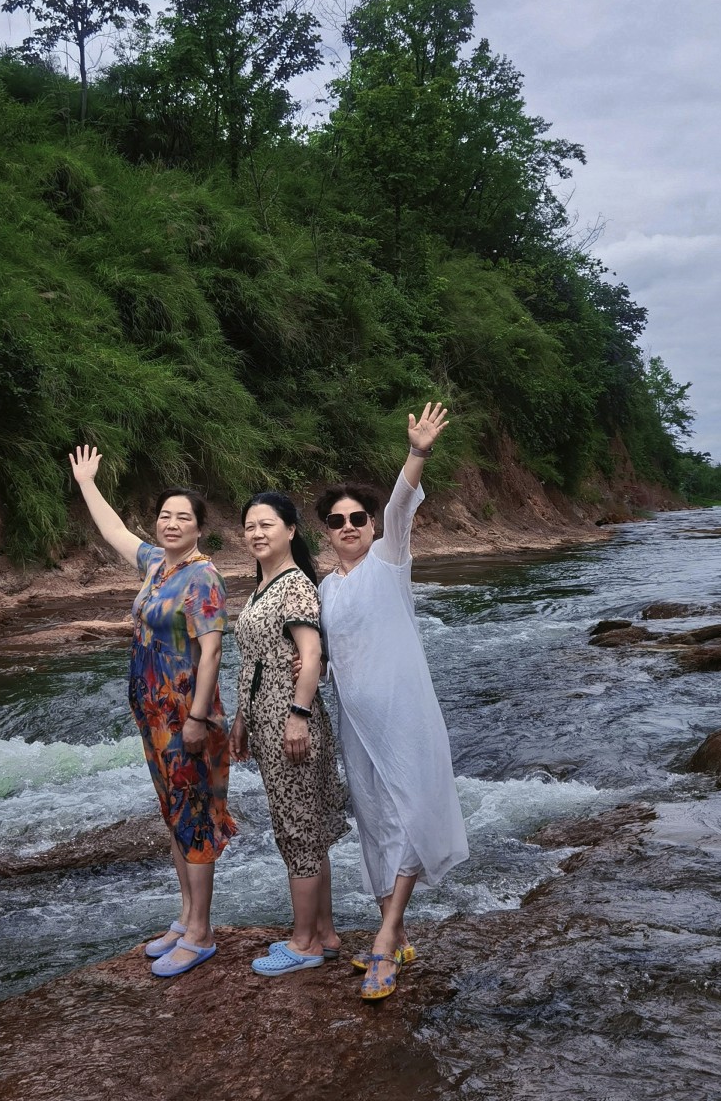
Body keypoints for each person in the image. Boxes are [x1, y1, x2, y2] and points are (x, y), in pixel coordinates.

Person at [317, 403, 468, 1002]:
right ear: (324, 531)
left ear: (372, 526)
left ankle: (382, 940)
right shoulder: (326, 588)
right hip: (357, 724)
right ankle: (398, 931)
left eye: (358, 517)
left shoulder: (389, 562)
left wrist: (417, 453)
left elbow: (402, 506)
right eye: (337, 520)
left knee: (407, 815)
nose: (350, 525)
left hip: (406, 714)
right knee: (375, 821)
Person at [69, 447, 232, 980]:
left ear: (200, 529)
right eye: (165, 515)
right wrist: (87, 483)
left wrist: (197, 719)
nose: (171, 523)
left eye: (183, 517)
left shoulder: (202, 577)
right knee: (172, 813)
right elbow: (116, 532)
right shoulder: (157, 565)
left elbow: (211, 652)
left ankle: (202, 933)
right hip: (153, 712)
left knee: (195, 817)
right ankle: (185, 918)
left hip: (187, 714)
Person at [230, 491, 348, 976]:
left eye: (268, 525)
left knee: (298, 831)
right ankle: (325, 933)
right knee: (306, 829)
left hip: (290, 725)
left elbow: (312, 653)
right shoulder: (263, 586)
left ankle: (303, 943)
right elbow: (256, 663)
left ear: (291, 530)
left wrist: (297, 715)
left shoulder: (294, 585)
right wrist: (241, 719)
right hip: (268, 721)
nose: (258, 533)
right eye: (251, 526)